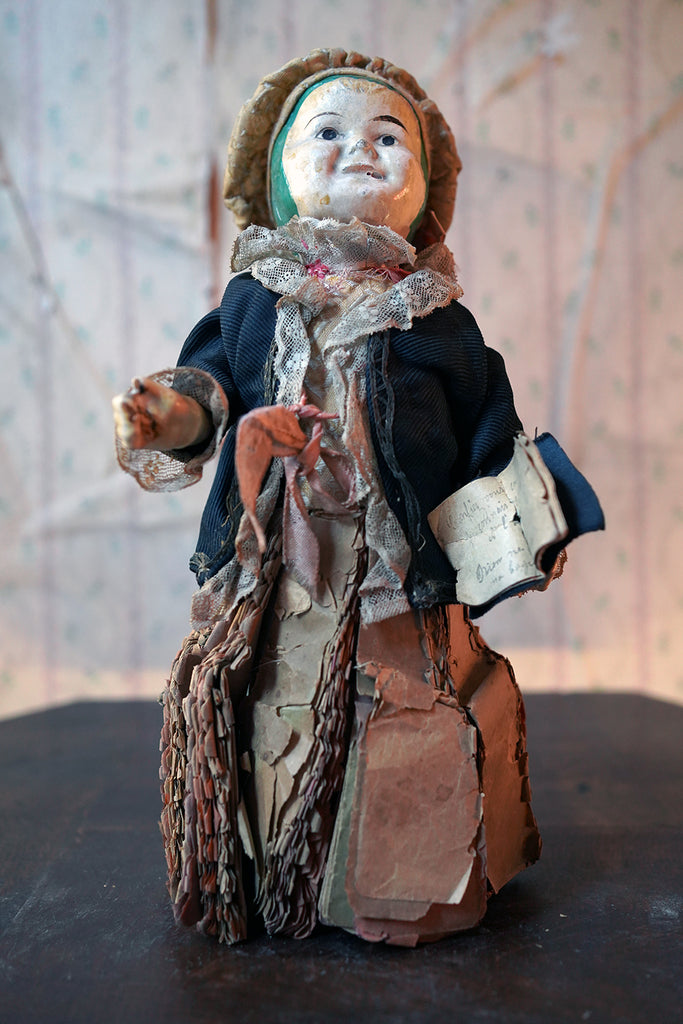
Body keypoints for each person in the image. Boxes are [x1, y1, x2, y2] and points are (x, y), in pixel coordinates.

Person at [113, 49, 603, 946]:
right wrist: (169, 415)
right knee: (280, 709)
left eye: (388, 138)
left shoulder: (433, 319)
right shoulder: (253, 303)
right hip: (281, 565)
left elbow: (485, 426)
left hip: (394, 566)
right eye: (328, 132)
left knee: (399, 708)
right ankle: (281, 872)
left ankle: (399, 885)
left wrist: (521, 516)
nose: (360, 151)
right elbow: (210, 391)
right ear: (276, 177)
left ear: (426, 188)